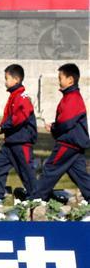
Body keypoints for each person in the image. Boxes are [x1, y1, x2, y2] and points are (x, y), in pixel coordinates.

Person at [30, 63, 90, 202]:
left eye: (60, 78)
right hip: (74, 144)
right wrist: (55, 126)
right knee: (79, 175)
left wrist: (55, 128)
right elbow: (66, 121)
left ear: (70, 80)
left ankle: (35, 199)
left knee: (50, 168)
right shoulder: (70, 97)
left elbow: (66, 122)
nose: (59, 80)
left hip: (68, 144)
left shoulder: (73, 97)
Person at [0, 64, 38, 208]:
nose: (5, 81)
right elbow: (9, 115)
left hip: (22, 141)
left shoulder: (23, 96)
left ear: (16, 79)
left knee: (26, 170)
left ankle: (36, 198)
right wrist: (2, 127)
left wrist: (4, 127)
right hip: (11, 142)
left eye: (7, 78)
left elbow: (20, 116)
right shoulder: (13, 96)